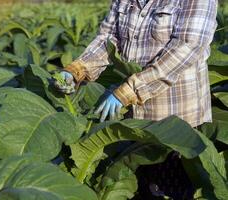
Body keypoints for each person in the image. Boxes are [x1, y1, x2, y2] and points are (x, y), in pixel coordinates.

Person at [54, 0, 218, 128]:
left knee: (168, 169)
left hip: (175, 117)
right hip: (128, 112)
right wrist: (77, 69)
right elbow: (108, 37)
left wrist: (129, 91)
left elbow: (187, 47)